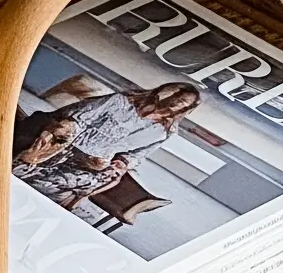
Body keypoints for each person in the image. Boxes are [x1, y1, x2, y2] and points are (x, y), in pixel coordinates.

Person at [12, 78, 201, 212]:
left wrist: (123, 163)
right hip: (71, 141)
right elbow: (81, 118)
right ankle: (22, 171)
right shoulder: (121, 101)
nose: (174, 101)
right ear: (162, 91)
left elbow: (136, 155)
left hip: (96, 160)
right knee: (60, 134)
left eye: (181, 102)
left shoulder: (164, 132)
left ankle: (41, 200)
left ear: (185, 109)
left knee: (100, 177)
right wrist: (68, 137)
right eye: (173, 95)